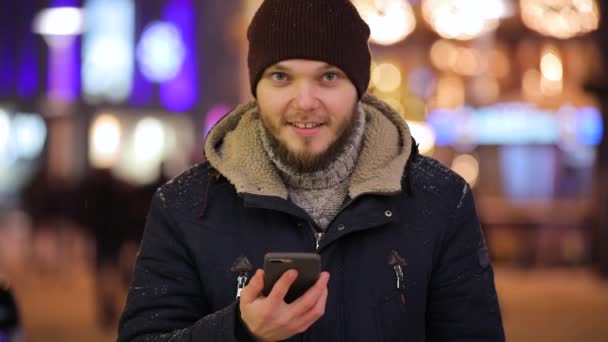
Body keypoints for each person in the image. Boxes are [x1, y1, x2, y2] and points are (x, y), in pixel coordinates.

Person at [118, 0, 505, 341]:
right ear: (257, 87)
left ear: (360, 87)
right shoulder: (186, 207)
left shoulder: (439, 200)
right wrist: (240, 332)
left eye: (328, 77)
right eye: (281, 77)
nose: (305, 101)